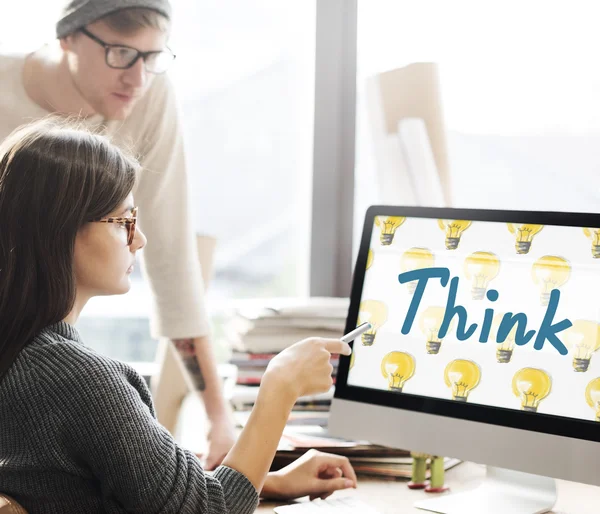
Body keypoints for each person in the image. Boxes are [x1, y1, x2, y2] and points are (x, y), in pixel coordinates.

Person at [0, 117, 357, 513]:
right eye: (124, 222)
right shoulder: (78, 381)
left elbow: (93, 489)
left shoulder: (23, 357)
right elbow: (208, 510)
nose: (140, 240)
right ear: (61, 231)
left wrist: (266, 482)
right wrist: (280, 388)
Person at [0, 0, 237, 468]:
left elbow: (170, 257)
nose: (138, 78)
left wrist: (218, 418)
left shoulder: (150, 94)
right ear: (67, 37)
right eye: (121, 53)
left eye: (153, 58)